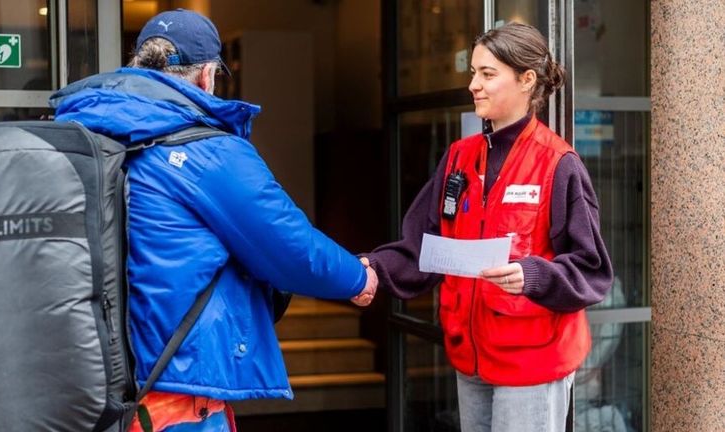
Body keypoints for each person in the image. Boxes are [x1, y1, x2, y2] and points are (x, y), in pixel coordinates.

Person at [50, 9, 376, 432]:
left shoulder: (86, 129)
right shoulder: (208, 151)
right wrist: (356, 277)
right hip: (176, 389)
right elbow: (287, 244)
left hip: (97, 380)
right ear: (207, 75)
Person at [361, 22, 613, 432]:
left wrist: (532, 275)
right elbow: (421, 246)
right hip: (471, 357)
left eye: (487, 74)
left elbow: (592, 270)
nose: (473, 85)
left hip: (532, 362)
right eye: (473, 72)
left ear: (526, 80)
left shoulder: (558, 163)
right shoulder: (460, 157)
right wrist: (372, 269)